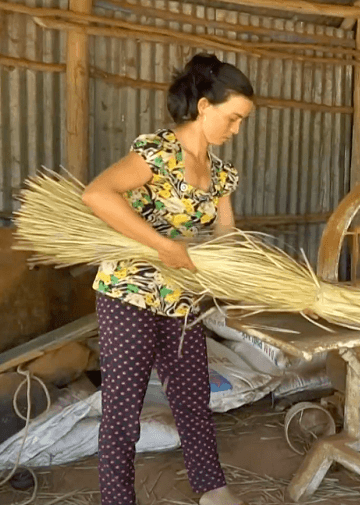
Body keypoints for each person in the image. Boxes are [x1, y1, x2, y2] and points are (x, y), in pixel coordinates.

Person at [82, 53, 254, 505]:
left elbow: (225, 233)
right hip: (128, 293)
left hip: (181, 299)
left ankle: (212, 491)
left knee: (194, 401)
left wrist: (238, 270)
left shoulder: (220, 174)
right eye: (233, 118)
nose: (236, 130)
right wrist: (164, 246)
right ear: (203, 107)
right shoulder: (157, 152)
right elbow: (97, 194)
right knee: (123, 412)